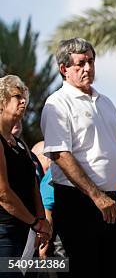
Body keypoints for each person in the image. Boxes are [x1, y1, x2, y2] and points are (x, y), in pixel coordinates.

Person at [41, 38, 116, 277]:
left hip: (113, 201)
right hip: (77, 203)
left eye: (91, 61)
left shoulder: (106, 102)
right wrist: (96, 195)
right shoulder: (56, 103)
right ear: (64, 69)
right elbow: (60, 154)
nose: (88, 68)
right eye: (80, 63)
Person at [0, 75, 51, 270]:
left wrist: (41, 222)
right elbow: (3, 194)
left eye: (24, 96)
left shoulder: (20, 144)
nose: (23, 101)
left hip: (27, 231)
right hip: (5, 232)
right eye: (16, 96)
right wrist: (35, 222)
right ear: (1, 101)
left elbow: (33, 184)